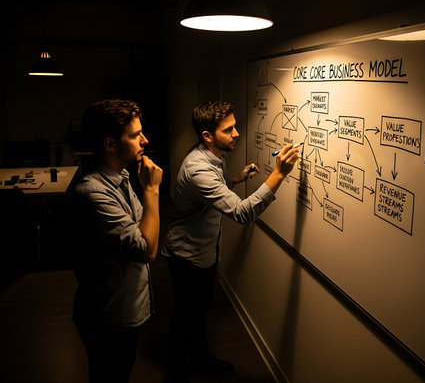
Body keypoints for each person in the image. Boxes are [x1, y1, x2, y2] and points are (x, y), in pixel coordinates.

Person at [161, 101, 299, 382]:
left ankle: (201, 360)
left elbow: (216, 189)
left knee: (200, 312)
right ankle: (175, 375)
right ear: (207, 136)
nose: (237, 133)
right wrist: (279, 174)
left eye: (235, 126)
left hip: (205, 251)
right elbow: (242, 212)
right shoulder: (198, 169)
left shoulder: (213, 156)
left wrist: (236, 179)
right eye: (229, 129)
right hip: (186, 255)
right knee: (186, 319)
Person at [70, 99, 163, 383]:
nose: (145, 140)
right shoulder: (93, 191)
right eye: (135, 135)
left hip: (123, 306)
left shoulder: (119, 175)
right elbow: (146, 250)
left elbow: (139, 233)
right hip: (109, 317)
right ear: (110, 144)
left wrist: (132, 244)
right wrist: (151, 191)